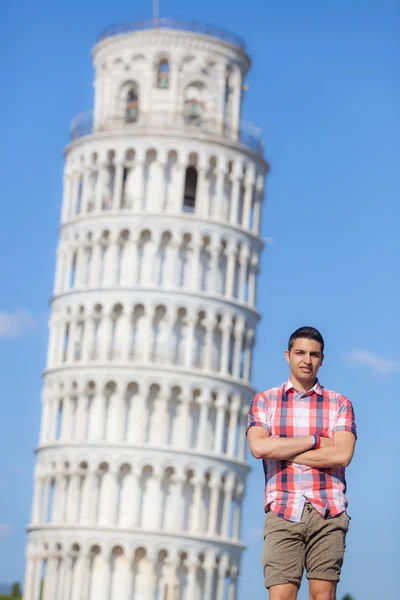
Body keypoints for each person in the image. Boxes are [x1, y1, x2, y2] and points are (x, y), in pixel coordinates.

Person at [247, 326, 357, 600]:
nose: (307, 360)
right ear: (288, 355)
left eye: (314, 354)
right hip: (283, 508)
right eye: (300, 353)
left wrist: (281, 449)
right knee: (281, 595)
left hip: (328, 509)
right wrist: (316, 440)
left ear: (322, 359)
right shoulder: (265, 401)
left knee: (323, 595)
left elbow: (342, 455)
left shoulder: (339, 403)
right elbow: (259, 447)